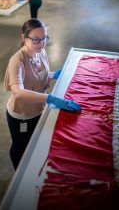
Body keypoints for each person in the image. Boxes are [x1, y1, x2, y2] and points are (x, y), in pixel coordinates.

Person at [4, 18, 81, 169]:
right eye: (36, 40)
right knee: (20, 146)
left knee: (35, 142)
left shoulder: (41, 51)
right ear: (23, 38)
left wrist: (54, 75)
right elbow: (18, 92)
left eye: (44, 38)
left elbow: (37, 75)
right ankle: (18, 173)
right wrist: (51, 98)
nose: (41, 43)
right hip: (22, 115)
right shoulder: (17, 61)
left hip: (39, 110)